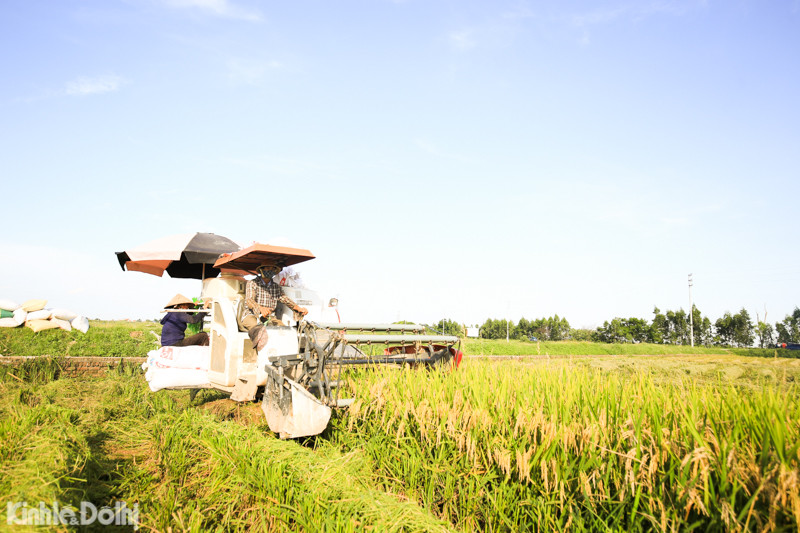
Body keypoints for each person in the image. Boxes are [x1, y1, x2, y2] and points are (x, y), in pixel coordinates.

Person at [241, 265, 308, 350]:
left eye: (273, 269)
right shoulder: (252, 283)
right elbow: (250, 300)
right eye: (268, 268)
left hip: (270, 317)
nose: (270, 270)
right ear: (261, 270)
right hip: (251, 315)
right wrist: (260, 308)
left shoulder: (276, 287)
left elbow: (284, 299)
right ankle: (258, 358)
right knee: (259, 332)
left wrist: (298, 308)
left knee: (286, 332)